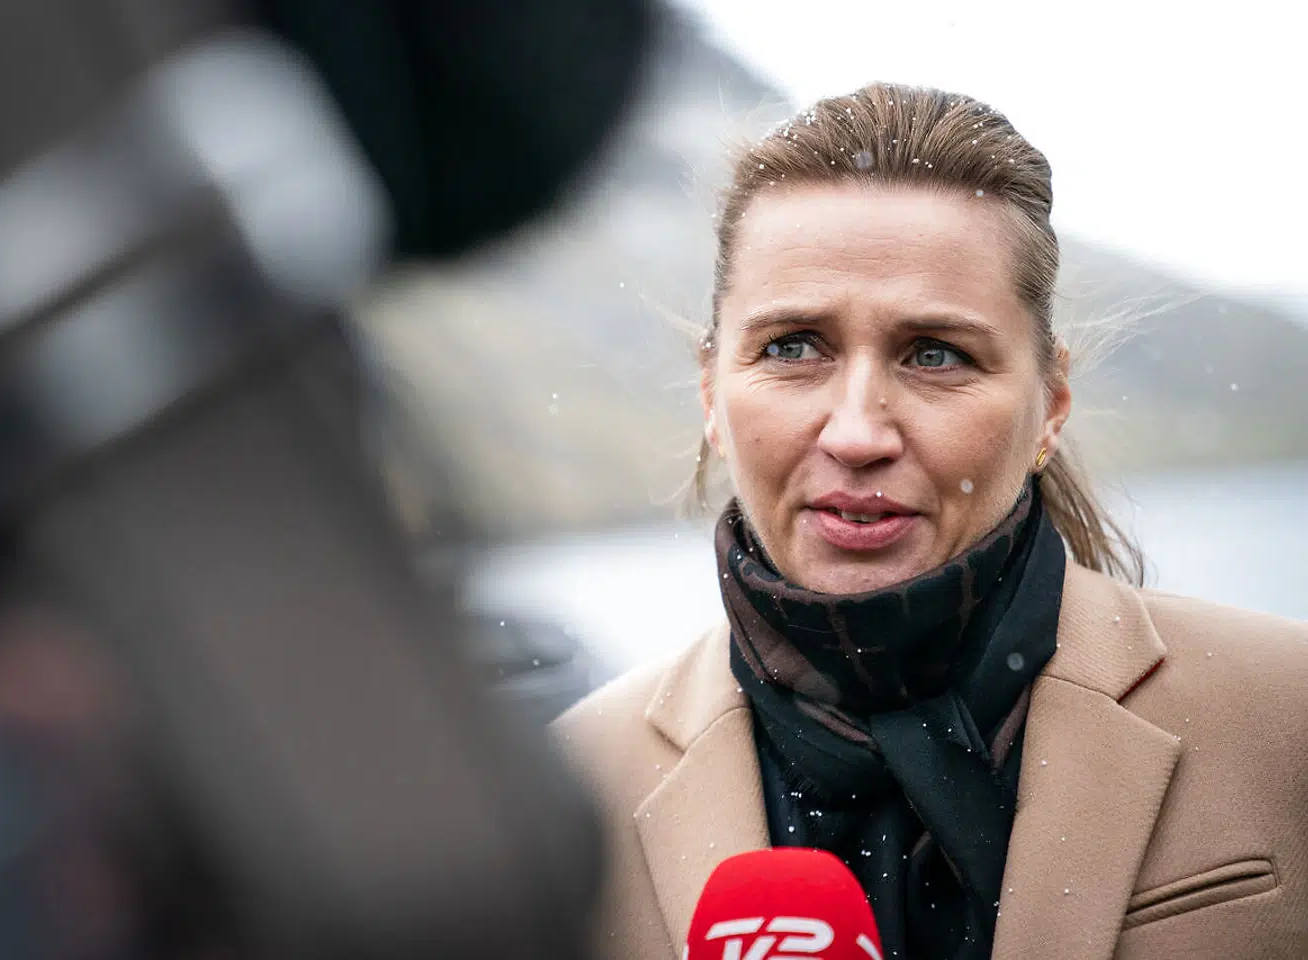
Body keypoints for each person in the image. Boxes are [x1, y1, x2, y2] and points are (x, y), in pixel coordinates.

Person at [554, 83, 1308, 960]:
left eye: (936, 354)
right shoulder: (572, 787)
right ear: (710, 393)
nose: (857, 433)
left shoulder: (1282, 718)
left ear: (1051, 404)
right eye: (792, 346)